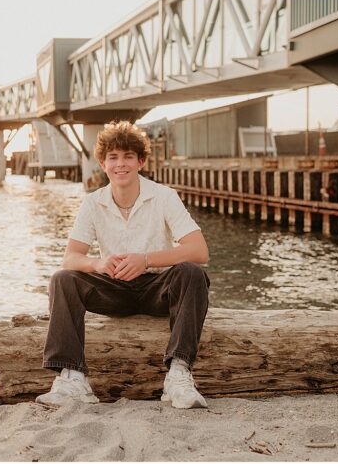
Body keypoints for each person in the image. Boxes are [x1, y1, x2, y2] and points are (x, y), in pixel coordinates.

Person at [36, 121, 211, 409]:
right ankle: (72, 378)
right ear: (103, 164)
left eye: (128, 156)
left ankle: (178, 374)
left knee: (192, 273)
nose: (121, 164)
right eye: (113, 158)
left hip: (157, 289)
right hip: (114, 290)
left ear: (141, 161)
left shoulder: (164, 196)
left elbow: (199, 250)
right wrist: (99, 263)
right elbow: (71, 257)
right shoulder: (93, 203)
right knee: (63, 279)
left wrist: (145, 260)